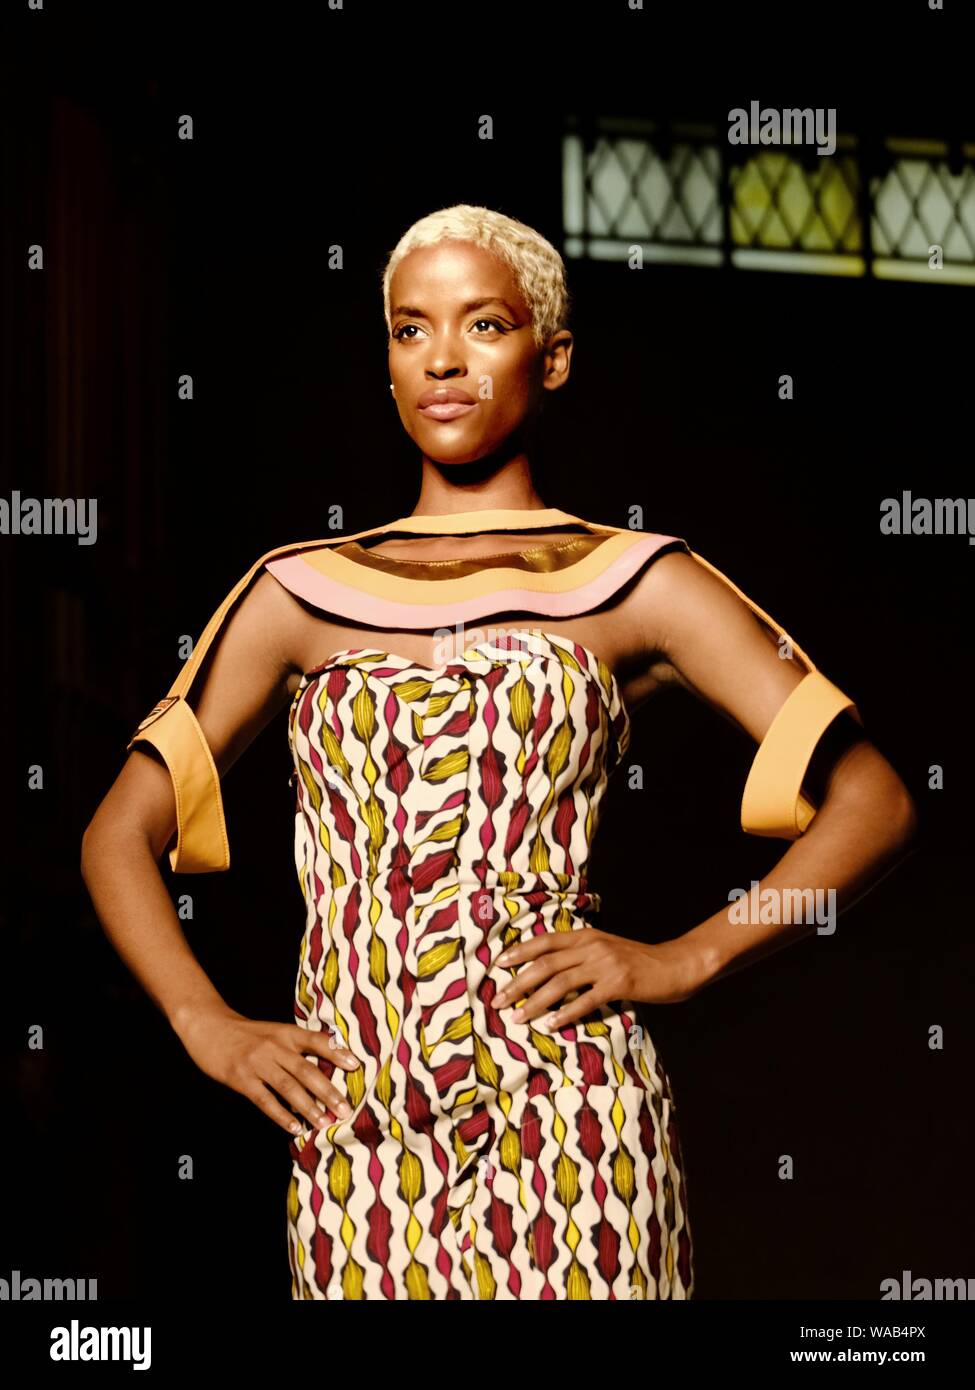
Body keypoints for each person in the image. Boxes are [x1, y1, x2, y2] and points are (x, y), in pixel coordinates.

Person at [81, 204, 918, 1301]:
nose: (441, 358)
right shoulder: (297, 591)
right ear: (385, 358)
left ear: (553, 355)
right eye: (409, 327)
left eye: (484, 325)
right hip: (360, 1130)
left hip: (574, 1115)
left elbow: (875, 802)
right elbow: (115, 835)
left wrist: (684, 957)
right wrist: (208, 1025)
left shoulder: (633, 578)